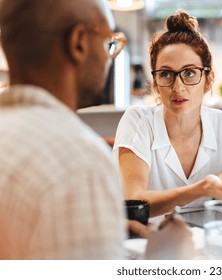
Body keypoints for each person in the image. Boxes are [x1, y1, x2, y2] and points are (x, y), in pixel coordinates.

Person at [0, 0, 192, 260]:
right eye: (108, 42)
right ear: (79, 42)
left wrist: (99, 229)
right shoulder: (79, 160)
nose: (108, 57)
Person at [113, 10, 222, 217]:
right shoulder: (138, 121)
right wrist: (201, 189)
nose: (178, 87)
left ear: (208, 79)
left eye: (189, 73)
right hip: (149, 241)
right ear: (155, 82)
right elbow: (134, 202)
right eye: (166, 74)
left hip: (207, 240)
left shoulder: (221, 125)